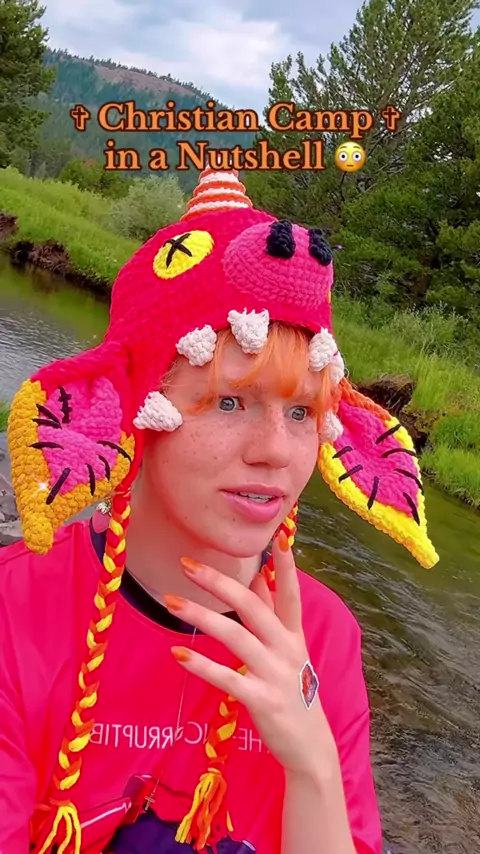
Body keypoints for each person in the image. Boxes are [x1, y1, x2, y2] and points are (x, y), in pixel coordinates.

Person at [0, 168, 439, 854]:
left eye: (302, 412)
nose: (276, 451)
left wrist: (313, 765)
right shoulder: (17, 611)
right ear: (130, 406)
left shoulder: (325, 640)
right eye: (230, 402)